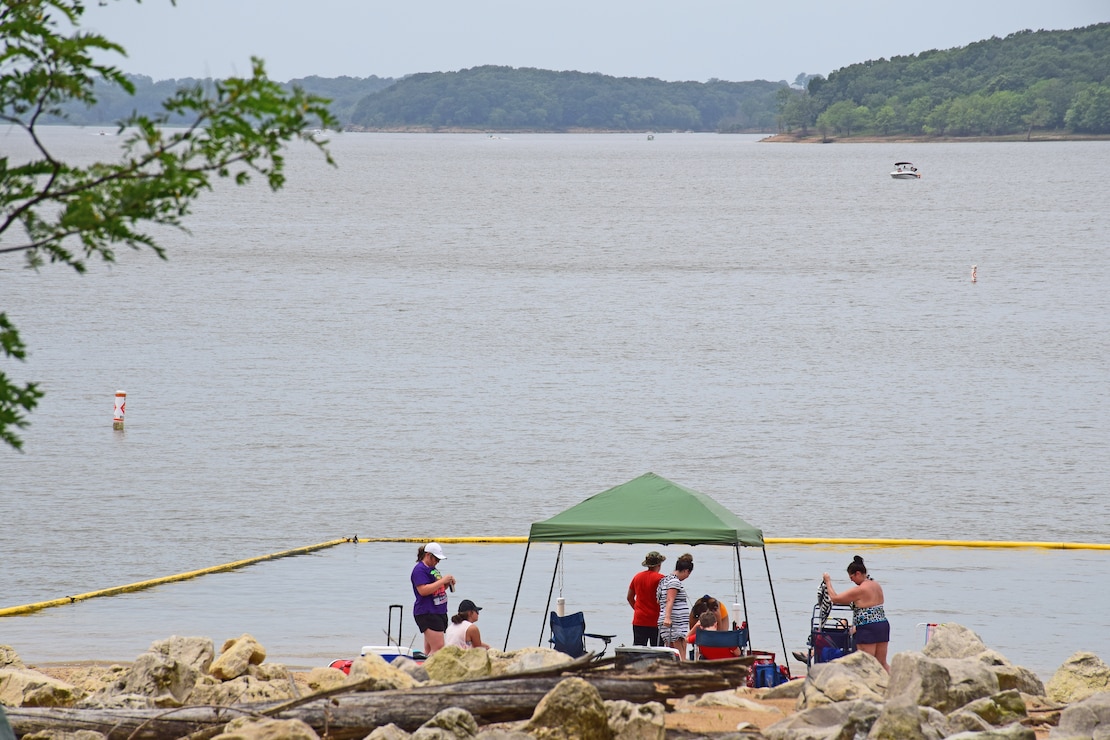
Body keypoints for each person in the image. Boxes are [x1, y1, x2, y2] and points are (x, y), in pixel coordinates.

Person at [823, 555, 889, 672]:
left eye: (851, 577)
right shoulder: (876, 585)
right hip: (882, 625)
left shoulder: (860, 590)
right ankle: (893, 686)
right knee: (882, 663)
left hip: (868, 627)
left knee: (866, 664)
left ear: (858, 573)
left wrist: (828, 581)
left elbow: (835, 598)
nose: (851, 580)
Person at [410, 542, 456, 656]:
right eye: (436, 559)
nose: (437, 562)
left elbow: (436, 589)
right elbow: (423, 590)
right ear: (428, 555)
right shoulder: (419, 570)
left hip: (438, 610)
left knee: (430, 649)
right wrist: (442, 581)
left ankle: (425, 668)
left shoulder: (433, 569)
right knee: (439, 648)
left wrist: (446, 584)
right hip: (427, 612)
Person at [657, 552, 694, 660]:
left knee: (671, 653)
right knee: (680, 654)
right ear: (686, 571)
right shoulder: (674, 581)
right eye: (688, 574)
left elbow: (659, 600)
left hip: (669, 622)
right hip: (674, 623)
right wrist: (668, 617)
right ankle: (681, 672)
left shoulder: (665, 580)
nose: (687, 577)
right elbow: (670, 599)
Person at [627, 550, 666, 646]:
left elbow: (629, 597)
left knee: (638, 651)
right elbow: (666, 599)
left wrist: (637, 609)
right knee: (657, 651)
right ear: (659, 565)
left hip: (639, 619)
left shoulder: (637, 577)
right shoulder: (661, 579)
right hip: (656, 621)